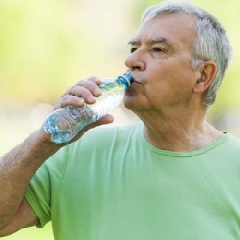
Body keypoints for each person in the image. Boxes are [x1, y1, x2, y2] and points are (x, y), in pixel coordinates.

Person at [0, 1, 238, 239]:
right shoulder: (76, 152)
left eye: (158, 50)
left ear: (203, 76)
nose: (131, 61)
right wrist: (45, 138)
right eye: (134, 47)